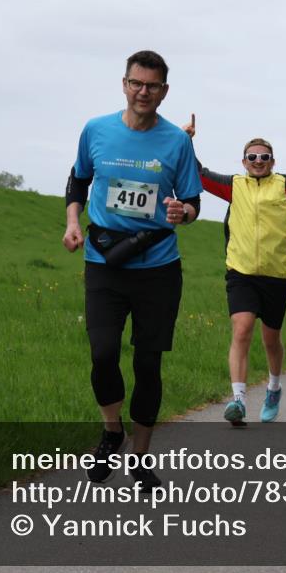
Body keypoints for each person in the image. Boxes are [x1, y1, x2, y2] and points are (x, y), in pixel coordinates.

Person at [63, 49, 203, 491]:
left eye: (153, 86)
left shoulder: (177, 142)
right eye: (136, 83)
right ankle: (111, 430)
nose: (143, 92)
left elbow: (194, 201)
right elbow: (78, 180)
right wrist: (72, 223)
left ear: (164, 92)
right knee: (103, 352)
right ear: (124, 84)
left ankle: (140, 459)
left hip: (157, 266)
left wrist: (185, 211)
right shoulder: (96, 130)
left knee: (148, 362)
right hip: (104, 260)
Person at [191, 116, 286, 426]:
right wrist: (186, 140)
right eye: (252, 157)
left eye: (264, 157)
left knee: (271, 339)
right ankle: (239, 400)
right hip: (240, 271)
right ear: (243, 161)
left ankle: (273, 388)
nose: (258, 161)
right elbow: (198, 173)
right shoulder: (233, 185)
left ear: (273, 161)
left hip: (276, 275)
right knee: (241, 329)